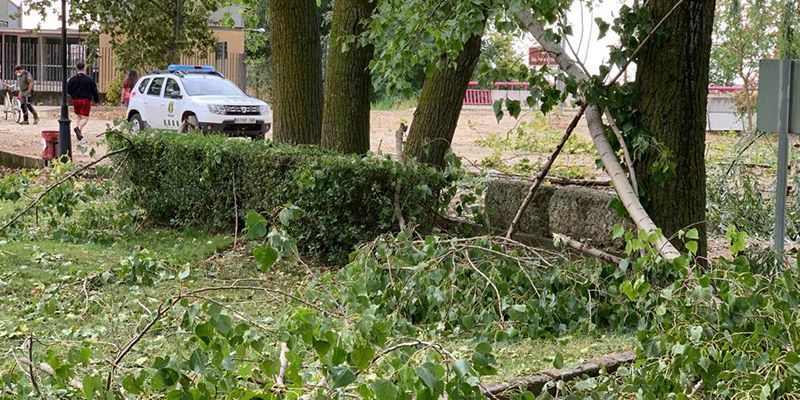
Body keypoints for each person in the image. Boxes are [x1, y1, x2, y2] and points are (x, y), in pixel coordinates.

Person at [66, 62, 100, 141]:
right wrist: (96, 100)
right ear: (84, 68)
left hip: (75, 100)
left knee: (79, 116)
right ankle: (78, 128)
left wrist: (73, 95)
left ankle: (79, 134)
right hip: (86, 100)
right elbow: (94, 91)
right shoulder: (89, 79)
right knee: (85, 118)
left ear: (76, 68)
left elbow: (68, 90)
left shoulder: (72, 79)